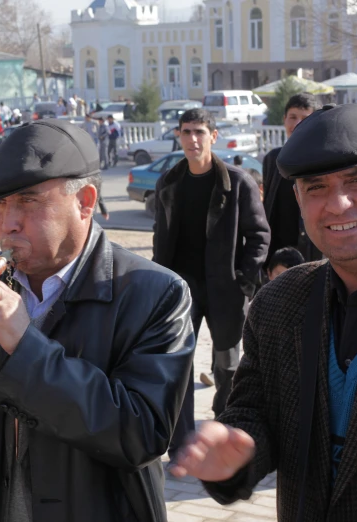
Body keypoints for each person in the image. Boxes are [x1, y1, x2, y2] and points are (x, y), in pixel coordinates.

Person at [0, 119, 195, 522]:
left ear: (85, 201)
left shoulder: (155, 294)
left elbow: (141, 435)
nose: (7, 223)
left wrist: (25, 345)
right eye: (0, 204)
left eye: (27, 202)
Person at [171, 103, 357, 522]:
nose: (337, 204)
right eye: (316, 188)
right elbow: (255, 411)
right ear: (297, 197)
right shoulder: (280, 301)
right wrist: (236, 448)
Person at [152, 108, 269, 470]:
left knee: (227, 365)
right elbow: (159, 237)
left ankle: (225, 431)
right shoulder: (169, 182)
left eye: (200, 132)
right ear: (179, 135)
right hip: (180, 291)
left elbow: (259, 236)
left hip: (224, 290)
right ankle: (183, 443)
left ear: (213, 136)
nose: (193, 139)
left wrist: (244, 280)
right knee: (179, 366)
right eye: (186, 132)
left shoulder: (237, 182)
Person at [263, 92, 322, 266]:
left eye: (305, 118)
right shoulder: (273, 159)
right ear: (284, 120)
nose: (297, 123)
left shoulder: (324, 160)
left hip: (312, 253)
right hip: (277, 256)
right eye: (293, 117)